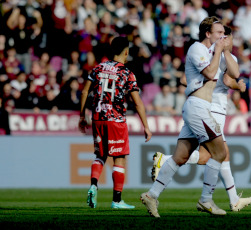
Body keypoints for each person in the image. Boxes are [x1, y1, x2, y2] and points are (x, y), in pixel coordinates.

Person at [140, 16, 240, 218]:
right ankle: (206, 199)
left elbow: (235, 73)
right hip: (198, 106)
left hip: (199, 107)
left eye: (224, 34)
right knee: (220, 152)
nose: (223, 36)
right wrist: (220, 50)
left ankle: (152, 195)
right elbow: (210, 72)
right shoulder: (197, 49)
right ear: (208, 33)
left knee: (181, 156)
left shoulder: (217, 51)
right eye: (219, 33)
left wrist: (226, 50)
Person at [79, 36, 152, 209]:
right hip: (116, 119)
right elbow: (137, 102)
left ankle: (93, 185)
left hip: (98, 118)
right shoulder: (127, 73)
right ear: (126, 51)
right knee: (119, 159)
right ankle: (117, 200)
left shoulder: (98, 68)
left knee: (100, 155)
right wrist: (146, 126)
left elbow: (84, 92)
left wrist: (82, 116)